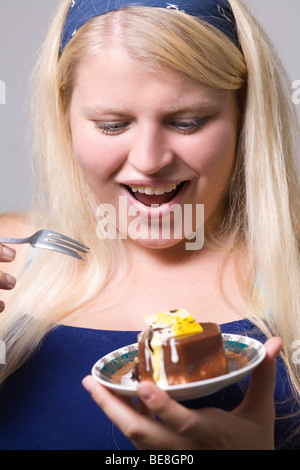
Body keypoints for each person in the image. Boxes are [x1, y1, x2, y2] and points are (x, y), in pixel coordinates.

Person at [0, 0, 299, 450]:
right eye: (111, 125)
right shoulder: (11, 261)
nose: (149, 161)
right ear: (64, 119)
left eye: (187, 122)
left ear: (244, 116)